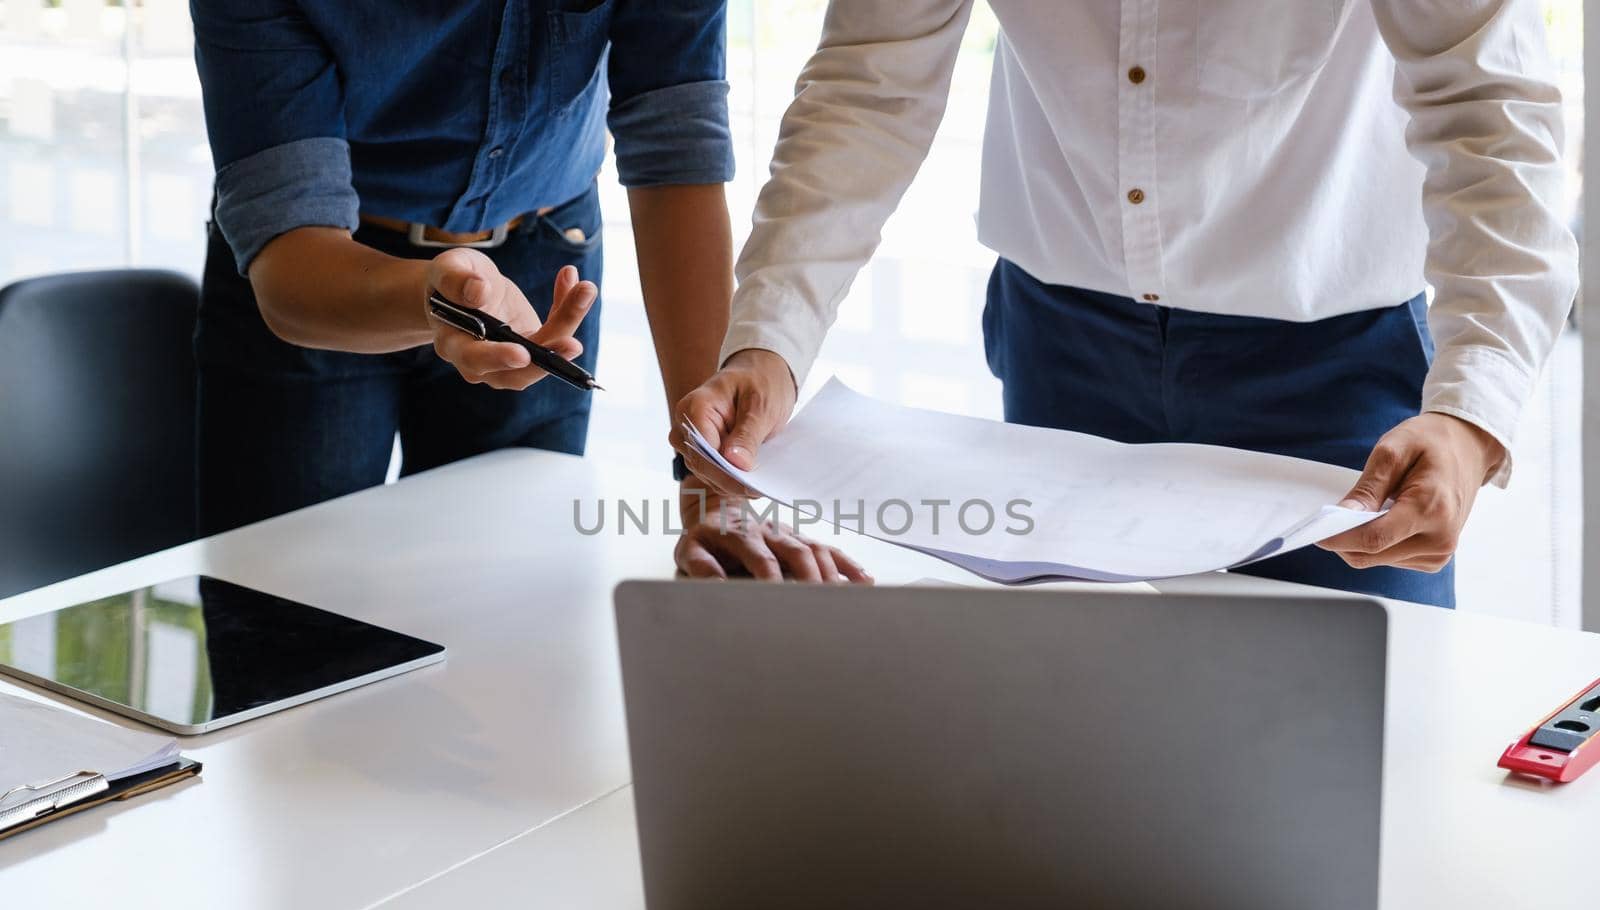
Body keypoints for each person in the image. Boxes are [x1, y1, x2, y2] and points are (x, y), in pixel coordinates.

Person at [675, 0, 1580, 606]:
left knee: (1369, 749)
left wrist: (1469, 417)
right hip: (1061, 351)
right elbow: (870, 86)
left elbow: (1491, 104)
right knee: (1082, 757)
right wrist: (771, 341)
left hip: (1339, 377)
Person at [190, 1, 862, 581]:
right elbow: (288, 265)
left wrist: (716, 489)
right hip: (322, 273)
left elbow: (674, 143)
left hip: (544, 254)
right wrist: (439, 297)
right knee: (289, 621)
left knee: (512, 618)